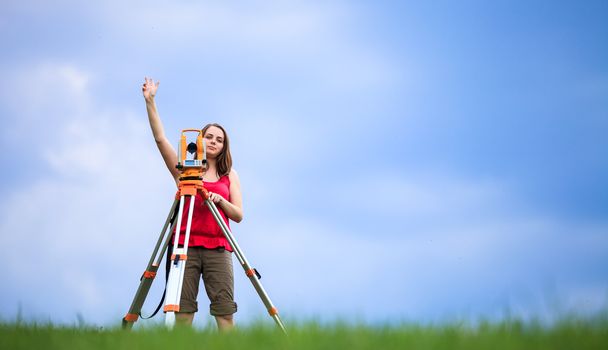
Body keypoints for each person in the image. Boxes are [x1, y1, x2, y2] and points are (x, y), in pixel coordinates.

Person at [142, 77, 243, 331]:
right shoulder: (184, 171)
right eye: (209, 137)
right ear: (199, 140)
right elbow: (160, 139)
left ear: (223, 147)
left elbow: (239, 215)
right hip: (184, 247)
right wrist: (150, 102)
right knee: (183, 314)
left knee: (224, 313)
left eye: (219, 140)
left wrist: (220, 200)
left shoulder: (230, 175)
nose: (213, 142)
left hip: (218, 248)